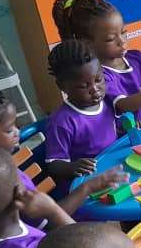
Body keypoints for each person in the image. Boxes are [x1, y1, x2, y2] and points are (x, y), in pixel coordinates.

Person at [0, 74, 126, 217]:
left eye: (15, 125)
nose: (17, 132)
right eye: (9, 129)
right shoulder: (5, 183)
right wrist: (88, 187)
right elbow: (50, 222)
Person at [43, 39, 122, 190]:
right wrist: (72, 167)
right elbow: (53, 164)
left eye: (98, 79)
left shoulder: (106, 102)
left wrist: (125, 128)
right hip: (84, 186)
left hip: (112, 171)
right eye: (83, 86)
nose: (95, 89)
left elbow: (113, 131)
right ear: (62, 86)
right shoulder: (61, 122)